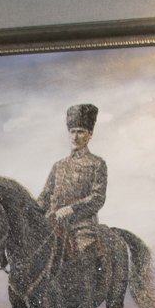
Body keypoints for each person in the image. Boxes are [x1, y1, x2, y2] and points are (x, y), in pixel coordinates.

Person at [40, 103, 109, 262]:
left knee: (84, 251)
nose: (75, 137)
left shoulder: (97, 164)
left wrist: (71, 209)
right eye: (72, 132)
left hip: (82, 224)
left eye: (80, 132)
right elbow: (45, 195)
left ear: (90, 134)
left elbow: (98, 198)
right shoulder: (59, 165)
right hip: (53, 220)